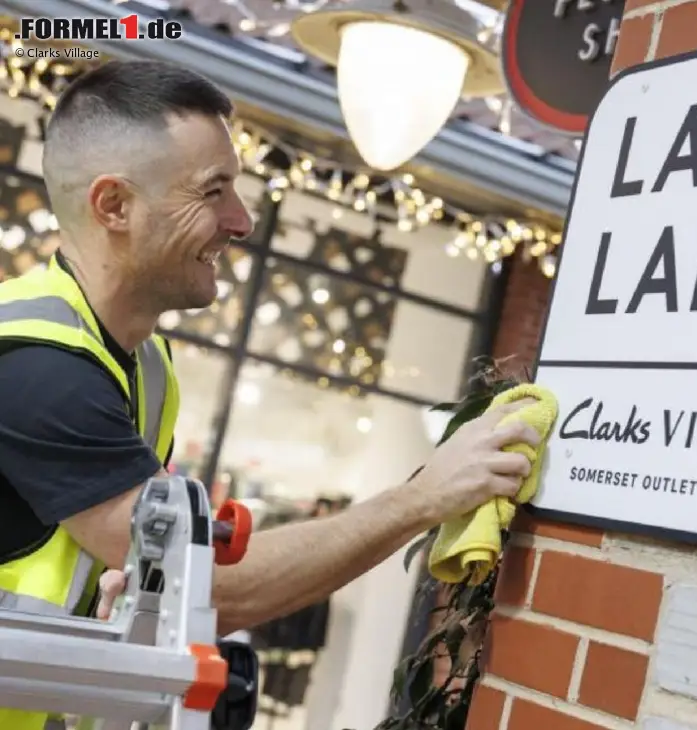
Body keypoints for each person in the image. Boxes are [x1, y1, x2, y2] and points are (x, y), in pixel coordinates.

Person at [0, 60, 538, 729]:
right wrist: (425, 495)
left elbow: (144, 573)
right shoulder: (40, 369)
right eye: (214, 190)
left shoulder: (145, 364)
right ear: (114, 205)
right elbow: (215, 589)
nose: (242, 219)